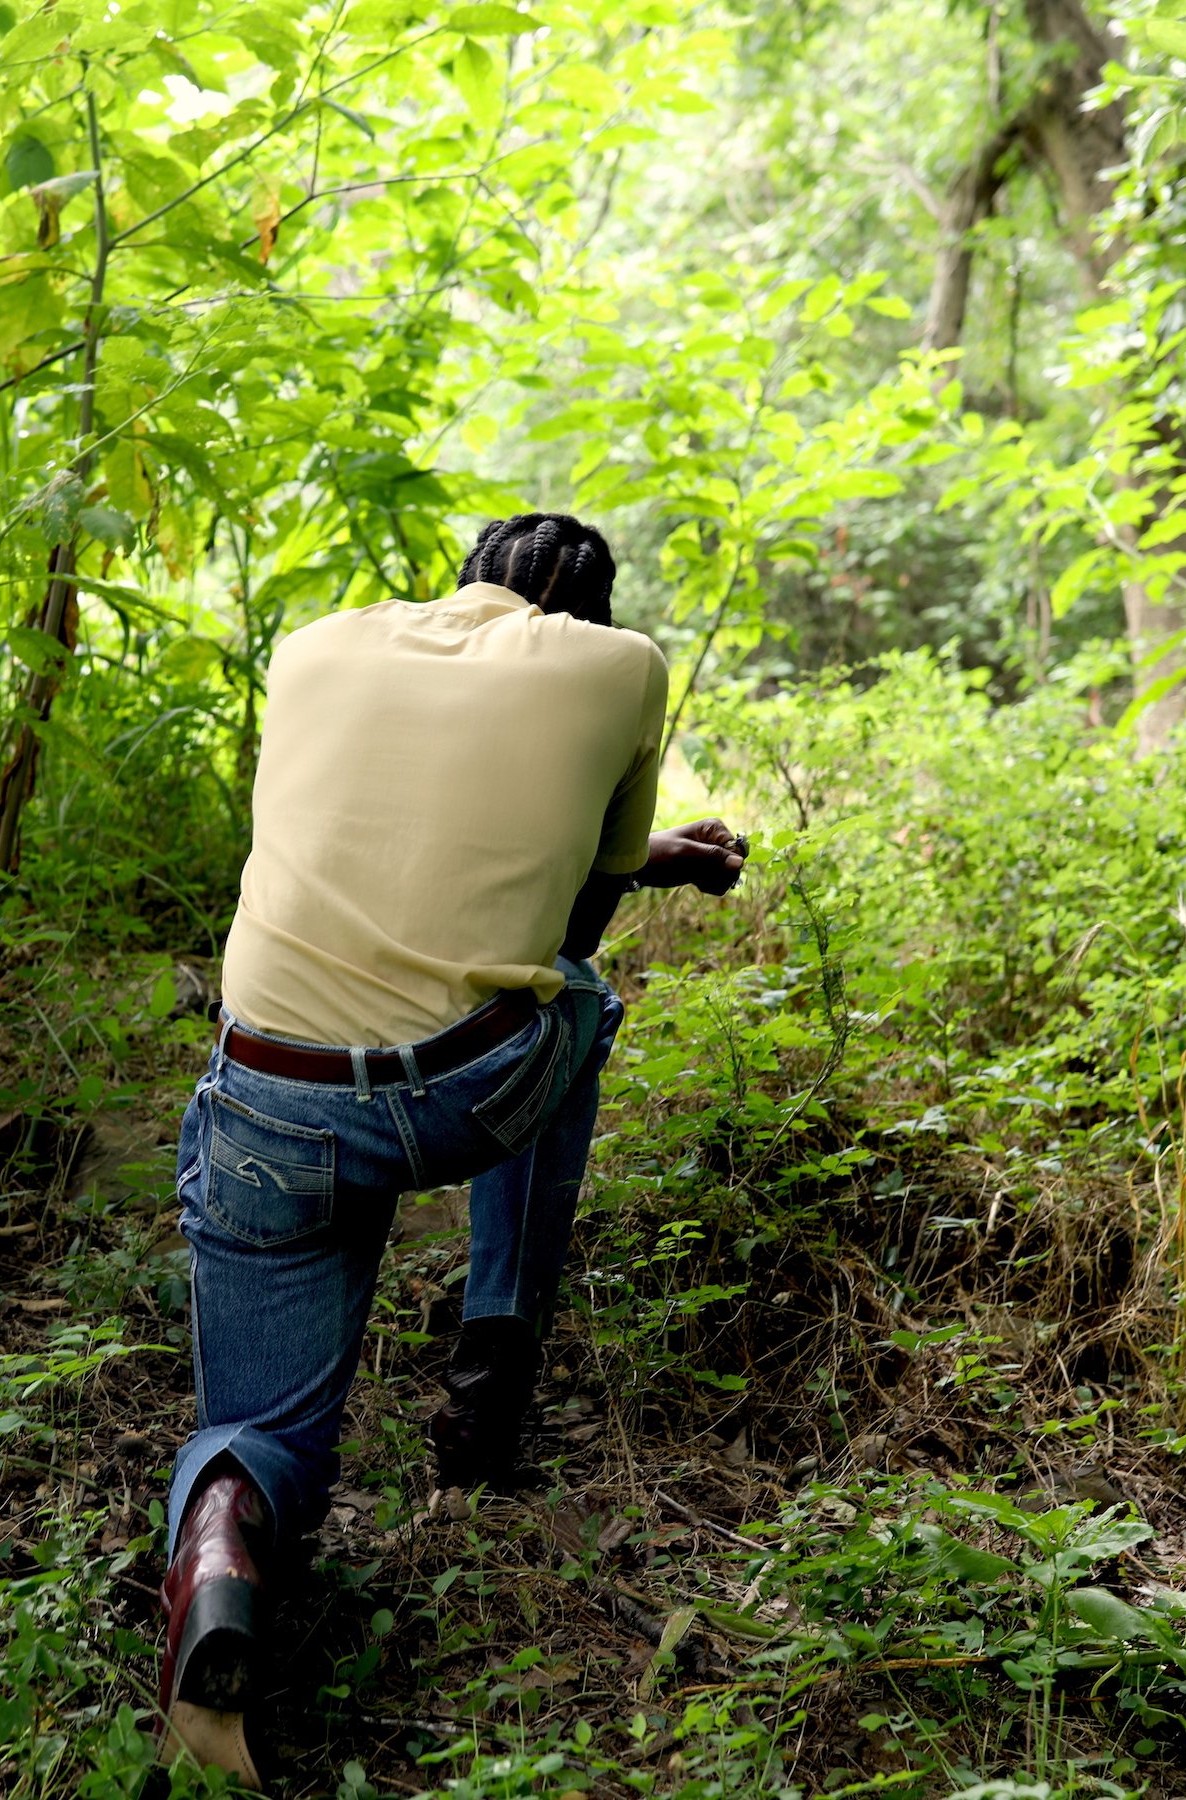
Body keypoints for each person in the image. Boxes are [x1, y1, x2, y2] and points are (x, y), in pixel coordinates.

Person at [157, 513, 748, 1771]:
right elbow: (575, 906)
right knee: (573, 995)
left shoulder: (318, 647)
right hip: (459, 1098)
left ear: (461, 586)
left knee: (266, 1432)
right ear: (580, 616)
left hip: (273, 1095)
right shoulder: (621, 665)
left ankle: (217, 1537)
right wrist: (650, 862)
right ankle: (494, 1354)